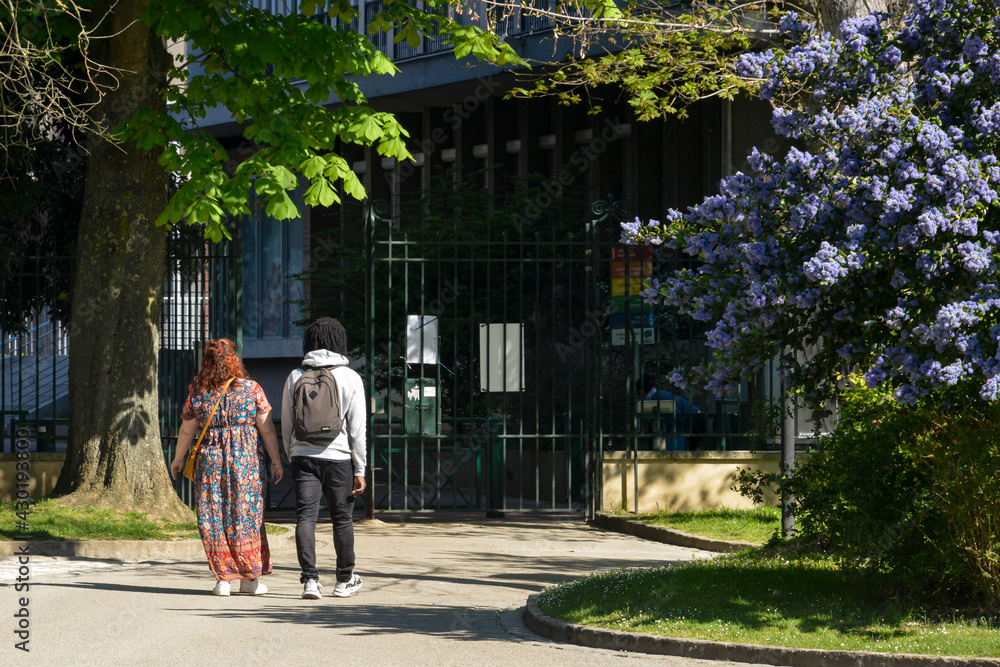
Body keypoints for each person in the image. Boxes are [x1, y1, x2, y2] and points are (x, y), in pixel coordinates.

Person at [169, 338, 284, 596]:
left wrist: (178, 458)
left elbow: (187, 430)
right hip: (246, 462)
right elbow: (266, 428)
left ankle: (223, 579)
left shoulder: (198, 392)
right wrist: (276, 461)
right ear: (234, 359)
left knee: (213, 516)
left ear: (206, 362)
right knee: (245, 516)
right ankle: (249, 580)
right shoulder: (252, 389)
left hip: (210, 462)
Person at [281, 317, 367, 600]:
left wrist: (291, 452)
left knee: (305, 517)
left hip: (303, 455)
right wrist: (360, 467)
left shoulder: (295, 376)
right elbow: (357, 429)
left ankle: (310, 581)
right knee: (342, 518)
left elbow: (286, 423)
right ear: (339, 342)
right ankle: (344, 581)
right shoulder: (350, 377)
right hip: (340, 458)